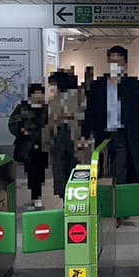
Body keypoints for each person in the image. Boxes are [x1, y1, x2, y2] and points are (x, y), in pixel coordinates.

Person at [82, 46, 139, 189]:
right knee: (100, 169)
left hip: (123, 134)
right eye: (112, 62)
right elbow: (90, 112)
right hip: (103, 134)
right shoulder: (98, 86)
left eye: (118, 62)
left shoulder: (133, 85)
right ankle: (105, 198)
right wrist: (84, 135)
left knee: (121, 168)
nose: (115, 66)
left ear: (125, 64)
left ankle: (119, 198)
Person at [9, 83, 49, 208]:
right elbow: (12, 124)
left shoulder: (46, 109)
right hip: (27, 146)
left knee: (39, 172)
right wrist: (21, 130)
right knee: (31, 172)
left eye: (42, 93)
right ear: (32, 94)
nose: (41, 96)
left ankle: (36, 196)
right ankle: (35, 196)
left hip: (42, 146)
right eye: (38, 93)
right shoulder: (22, 108)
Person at [47, 70, 83, 198]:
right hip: (58, 135)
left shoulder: (76, 96)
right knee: (59, 166)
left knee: (72, 165)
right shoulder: (53, 99)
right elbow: (50, 119)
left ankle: (73, 193)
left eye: (53, 84)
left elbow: (84, 114)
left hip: (72, 134)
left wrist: (69, 115)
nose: (51, 87)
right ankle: (63, 194)